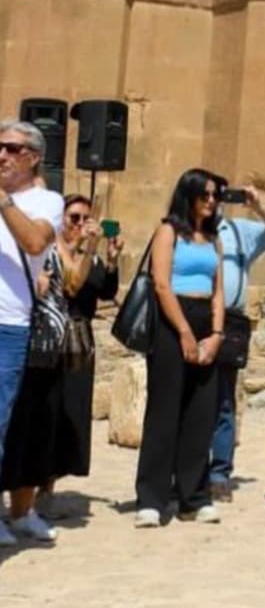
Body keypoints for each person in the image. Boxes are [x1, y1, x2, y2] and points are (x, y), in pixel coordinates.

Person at [133, 169, 226, 529]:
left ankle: (194, 497)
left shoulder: (214, 238)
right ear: (188, 196)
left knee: (200, 413)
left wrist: (216, 333)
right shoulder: (168, 232)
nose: (211, 201)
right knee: (164, 412)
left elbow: (218, 288)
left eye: (215, 196)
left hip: (205, 318)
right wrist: (185, 332)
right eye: (205, 195)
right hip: (173, 321)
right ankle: (152, 499)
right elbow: (161, 283)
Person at [0, 120, 63, 546]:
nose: (2, 155)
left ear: (34, 157)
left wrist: (3, 201)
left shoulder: (47, 201)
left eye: (11, 148)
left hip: (9, 326)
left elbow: (36, 243)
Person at [42, 195, 122, 510]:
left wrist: (112, 259)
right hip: (50, 338)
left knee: (71, 414)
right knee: (47, 413)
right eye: (73, 217)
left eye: (85, 219)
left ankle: (47, 488)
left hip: (79, 341)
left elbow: (106, 290)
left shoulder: (92, 257)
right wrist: (85, 249)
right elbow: (70, 286)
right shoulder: (51, 253)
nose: (79, 224)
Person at [207, 185, 265, 503]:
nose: (215, 201)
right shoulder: (187, 231)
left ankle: (219, 474)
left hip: (231, 322)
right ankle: (190, 469)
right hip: (197, 318)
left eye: (219, 194)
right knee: (195, 400)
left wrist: (259, 206)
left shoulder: (238, 231)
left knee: (225, 400)